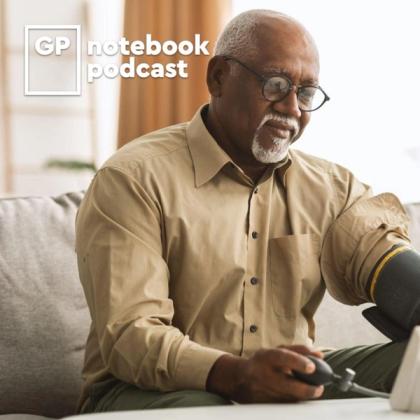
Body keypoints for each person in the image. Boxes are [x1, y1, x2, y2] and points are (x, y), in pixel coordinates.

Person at [75, 9, 417, 413]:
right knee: (206, 406)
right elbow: (130, 337)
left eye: (306, 93)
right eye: (276, 84)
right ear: (218, 77)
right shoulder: (133, 178)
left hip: (286, 378)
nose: (292, 108)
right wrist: (236, 374)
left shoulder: (331, 188)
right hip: (149, 388)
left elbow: (380, 256)